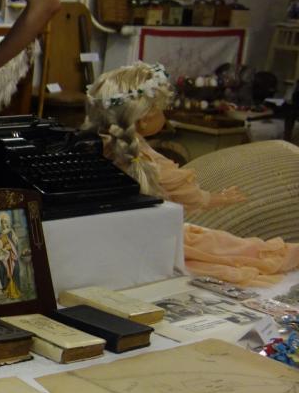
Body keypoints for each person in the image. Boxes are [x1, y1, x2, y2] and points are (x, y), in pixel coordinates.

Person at [83, 61, 299, 286]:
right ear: (145, 120)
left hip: (109, 238)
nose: (165, 115)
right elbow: (190, 196)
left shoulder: (98, 149)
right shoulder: (149, 162)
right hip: (153, 240)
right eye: (163, 110)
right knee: (227, 247)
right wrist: (218, 199)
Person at [0, 212, 23, 300]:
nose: (4, 224)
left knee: (15, 268)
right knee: (1, 268)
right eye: (2, 222)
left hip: (11, 255)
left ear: (7, 223)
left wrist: (10, 245)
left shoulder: (11, 232)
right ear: (0, 224)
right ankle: (7, 290)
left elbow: (15, 243)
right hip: (4, 256)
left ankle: (16, 291)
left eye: (5, 222)